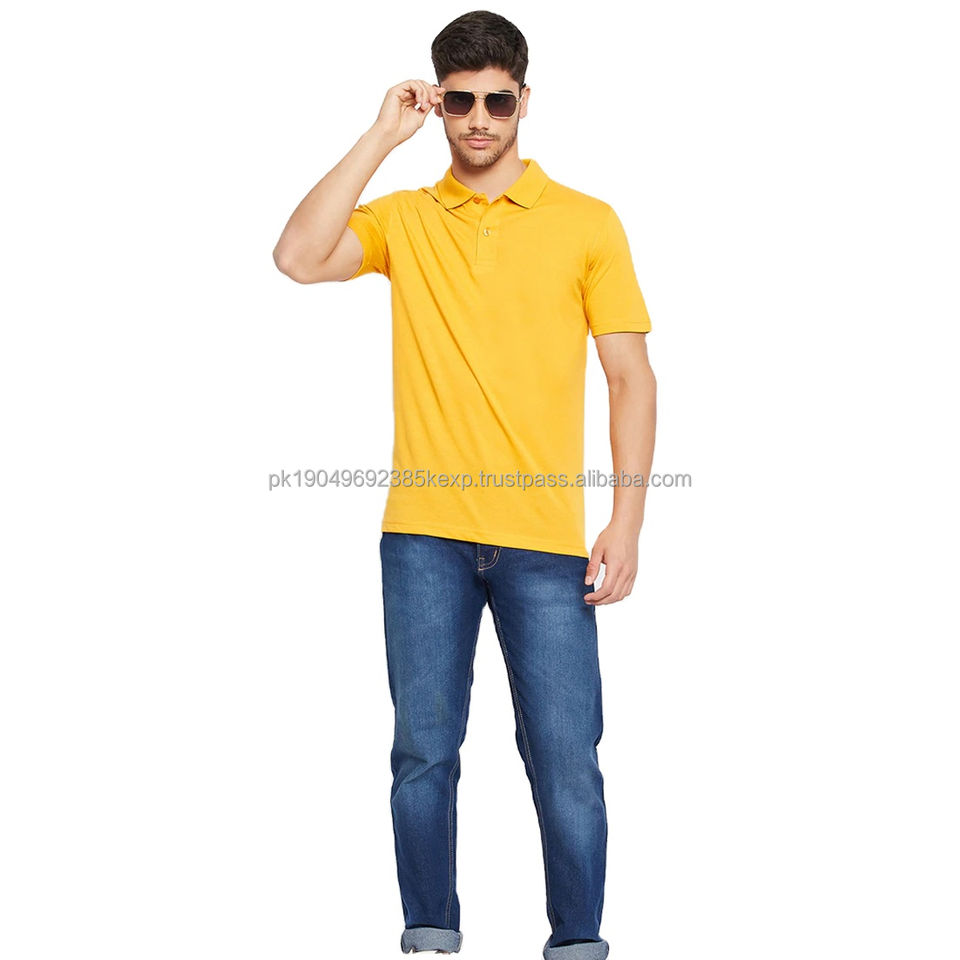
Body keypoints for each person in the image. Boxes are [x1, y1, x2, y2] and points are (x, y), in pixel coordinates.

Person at [273, 11, 656, 959]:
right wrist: (381, 135)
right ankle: (430, 938)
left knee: (567, 763)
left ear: (525, 101)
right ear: (438, 104)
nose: (478, 119)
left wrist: (627, 522)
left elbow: (629, 377)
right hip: (424, 536)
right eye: (459, 101)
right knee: (422, 756)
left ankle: (578, 944)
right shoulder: (405, 219)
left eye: (496, 100)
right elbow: (297, 257)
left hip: (546, 540)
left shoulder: (588, 222)